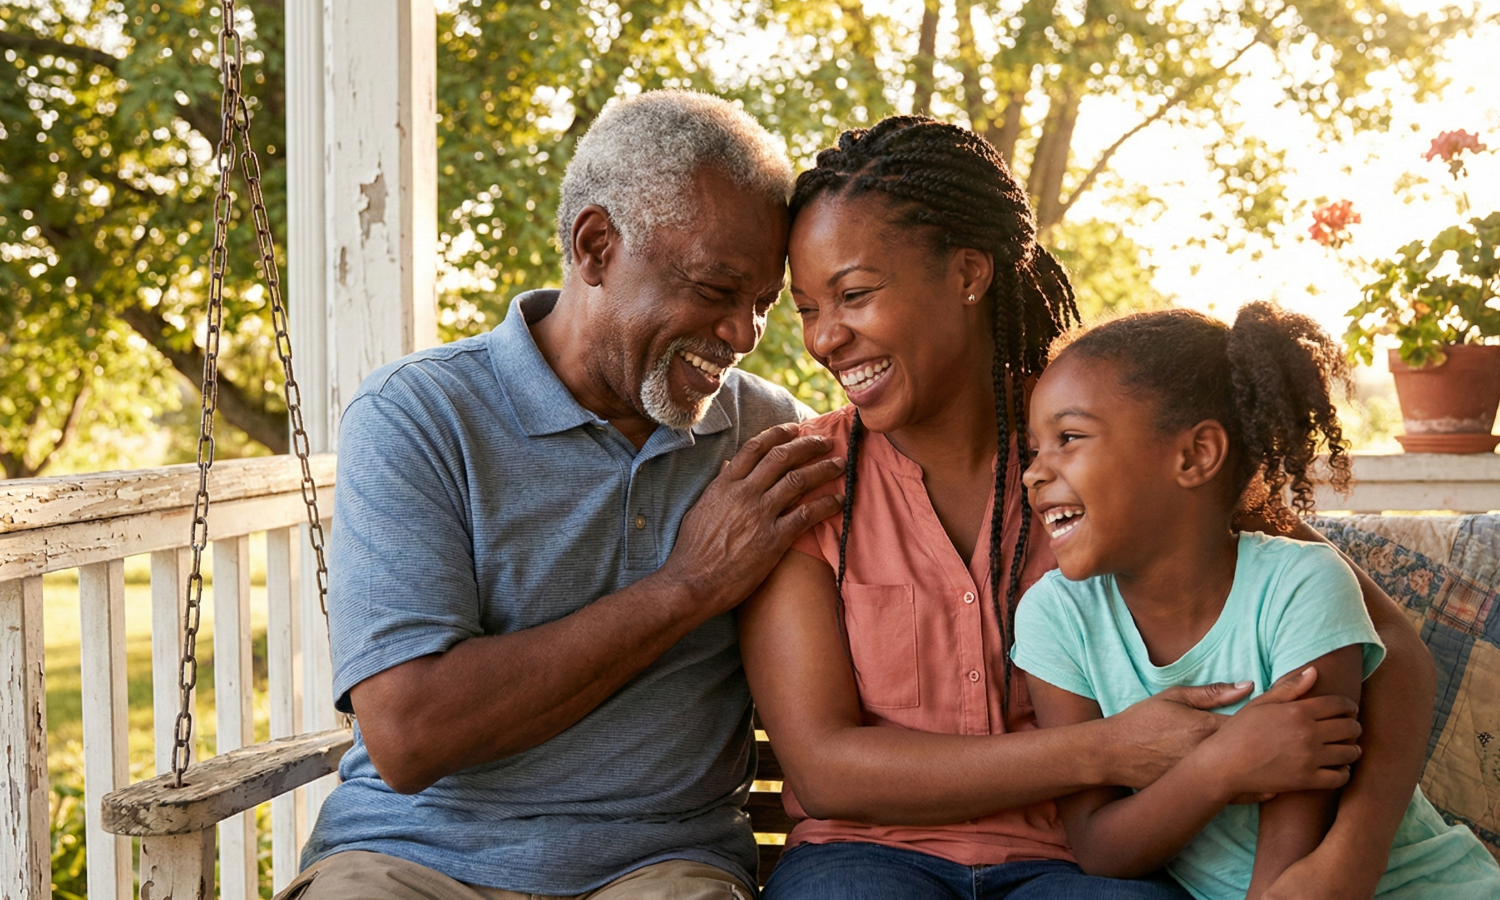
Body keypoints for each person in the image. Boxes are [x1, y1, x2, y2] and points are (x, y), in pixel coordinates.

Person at [738, 116, 1439, 900]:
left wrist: (1350, 854)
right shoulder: (802, 483)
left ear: (969, 273)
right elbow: (825, 769)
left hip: (1080, 869)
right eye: (805, 309)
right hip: (861, 860)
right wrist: (1109, 750)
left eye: (855, 295)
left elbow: (1393, 651)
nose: (825, 338)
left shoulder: (1111, 458)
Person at [276, 91, 849, 900]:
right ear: (595, 246)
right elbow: (408, 733)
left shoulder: (765, 436)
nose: (742, 335)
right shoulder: (419, 416)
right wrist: (688, 587)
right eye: (716, 289)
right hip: (408, 862)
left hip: (660, 871)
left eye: (761, 304)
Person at [1013, 304, 1500, 900]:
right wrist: (1218, 769)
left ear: (1194, 456)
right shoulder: (1054, 616)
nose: (1033, 474)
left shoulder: (1300, 585)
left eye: (1068, 439)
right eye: (1035, 448)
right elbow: (1100, 850)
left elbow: (1291, 878)